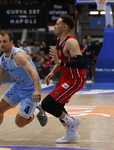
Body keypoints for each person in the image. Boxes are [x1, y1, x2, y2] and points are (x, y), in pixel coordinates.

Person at [0, 29, 48, 140]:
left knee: (20, 123)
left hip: (30, 91)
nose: (2, 44)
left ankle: (38, 110)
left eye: (5, 41)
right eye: (0, 41)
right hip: (17, 87)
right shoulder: (2, 61)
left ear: (12, 42)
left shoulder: (18, 56)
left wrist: (37, 90)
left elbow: (34, 73)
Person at [41, 15, 85, 143]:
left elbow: (80, 62)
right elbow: (61, 61)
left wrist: (60, 62)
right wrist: (53, 71)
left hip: (74, 79)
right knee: (57, 105)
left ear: (64, 27)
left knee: (47, 104)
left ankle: (72, 123)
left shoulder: (70, 42)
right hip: (65, 77)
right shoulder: (59, 40)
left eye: (57, 24)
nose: (54, 26)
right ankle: (73, 133)